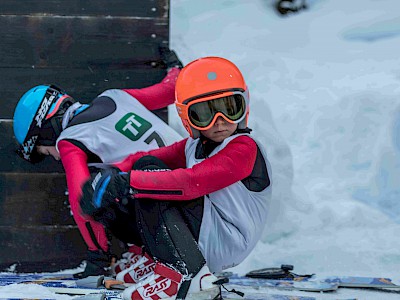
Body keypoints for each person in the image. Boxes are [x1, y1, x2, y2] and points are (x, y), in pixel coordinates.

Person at [80, 56, 273, 299]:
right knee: (146, 166)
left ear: (244, 105)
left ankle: (186, 275)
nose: (220, 121)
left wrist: (126, 182)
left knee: (152, 181)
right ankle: (159, 262)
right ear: (187, 117)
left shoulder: (244, 147)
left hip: (228, 237)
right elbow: (148, 157)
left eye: (229, 108)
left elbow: (191, 183)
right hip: (208, 231)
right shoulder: (195, 145)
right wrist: (111, 174)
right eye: (205, 113)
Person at [12, 47, 184, 278]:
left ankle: (152, 253)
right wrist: (174, 67)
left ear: (47, 132)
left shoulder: (70, 140)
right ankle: (145, 252)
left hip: (176, 221)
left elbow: (81, 201)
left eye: (44, 150)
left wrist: (97, 257)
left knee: (99, 187)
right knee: (117, 176)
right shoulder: (115, 96)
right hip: (199, 197)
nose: (53, 157)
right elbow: (173, 89)